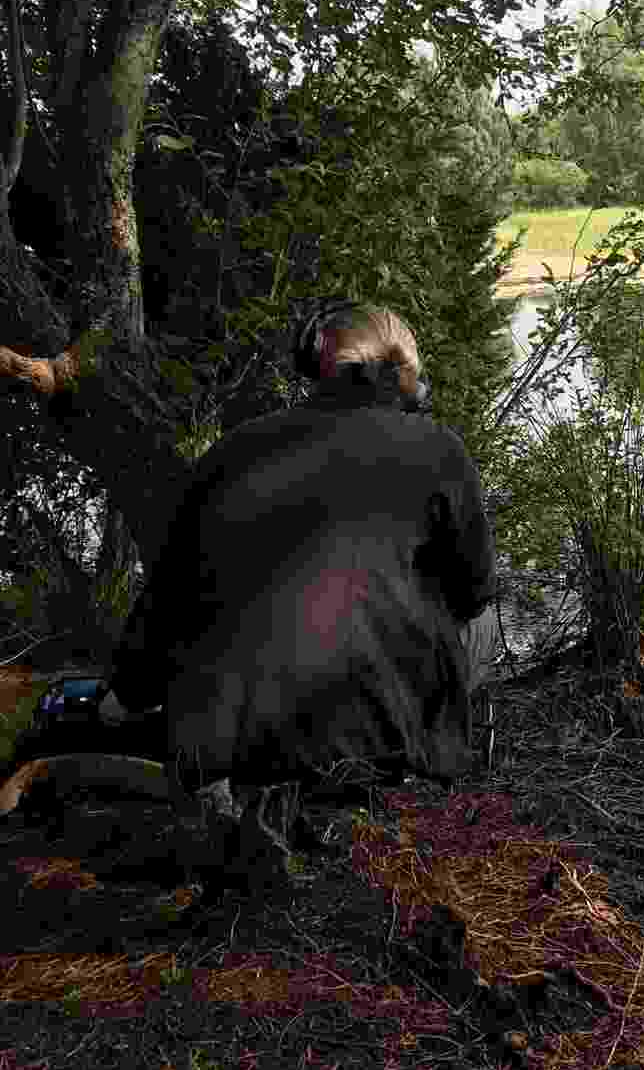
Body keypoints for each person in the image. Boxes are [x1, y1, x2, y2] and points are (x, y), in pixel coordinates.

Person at [107, 303, 498, 864]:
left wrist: (125, 696)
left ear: (315, 365)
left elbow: (167, 596)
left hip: (228, 748)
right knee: (480, 611)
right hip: (379, 744)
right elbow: (475, 593)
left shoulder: (234, 449)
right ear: (407, 375)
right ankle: (426, 759)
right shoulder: (439, 450)